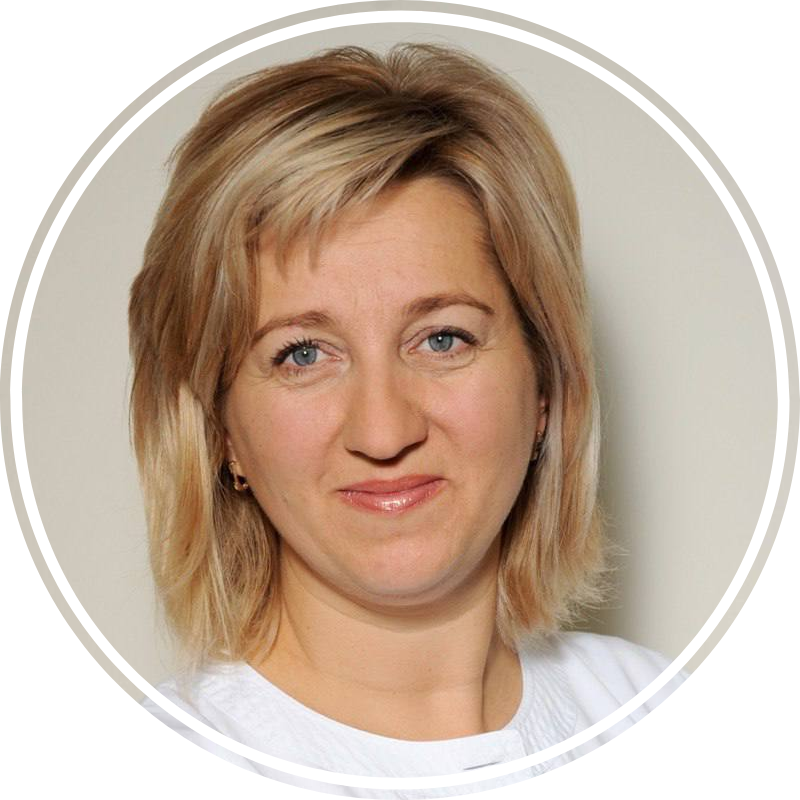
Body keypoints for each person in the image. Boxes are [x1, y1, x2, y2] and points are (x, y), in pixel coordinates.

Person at [129, 42, 689, 791]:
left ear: (544, 386)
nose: (384, 433)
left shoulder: (641, 695)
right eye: (302, 354)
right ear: (222, 430)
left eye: (442, 339)